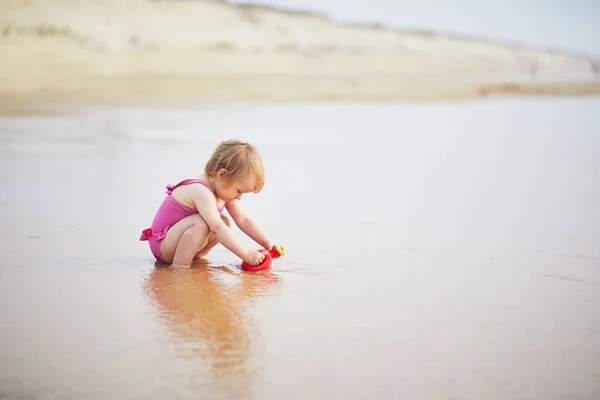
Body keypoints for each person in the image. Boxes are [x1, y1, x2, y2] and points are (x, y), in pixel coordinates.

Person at [140, 140, 283, 268]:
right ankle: (180, 266)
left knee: (224, 221)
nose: (239, 197)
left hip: (177, 242)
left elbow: (243, 220)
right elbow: (216, 228)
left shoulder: (223, 188)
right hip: (163, 246)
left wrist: (267, 244)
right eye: (239, 191)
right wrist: (245, 254)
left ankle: (196, 257)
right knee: (206, 223)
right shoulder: (201, 191)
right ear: (222, 174)